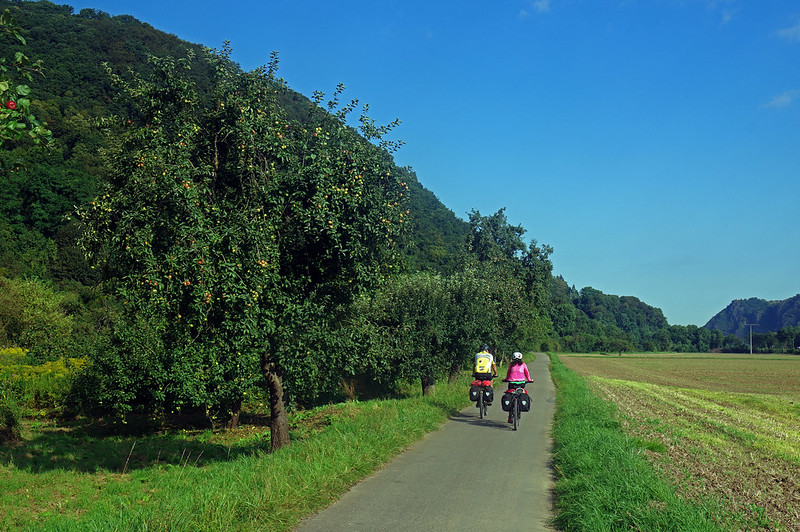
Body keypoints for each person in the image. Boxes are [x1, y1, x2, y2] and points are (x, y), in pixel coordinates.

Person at [505, 351, 532, 423]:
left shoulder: (511, 364)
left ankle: (510, 416)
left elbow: (508, 372)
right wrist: (529, 380)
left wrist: (506, 379)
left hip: (512, 383)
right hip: (521, 383)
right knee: (521, 394)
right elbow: (526, 372)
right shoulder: (523, 364)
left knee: (511, 396)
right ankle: (519, 406)